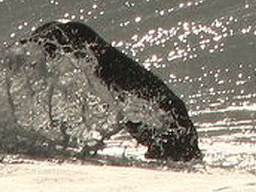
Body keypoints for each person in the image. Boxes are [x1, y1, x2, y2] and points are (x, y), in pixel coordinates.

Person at [30, 20, 202, 162]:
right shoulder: (175, 127)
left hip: (89, 46)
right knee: (93, 55)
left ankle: (31, 50)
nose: (149, 155)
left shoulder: (170, 129)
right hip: (83, 40)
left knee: (97, 61)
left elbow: (127, 116)